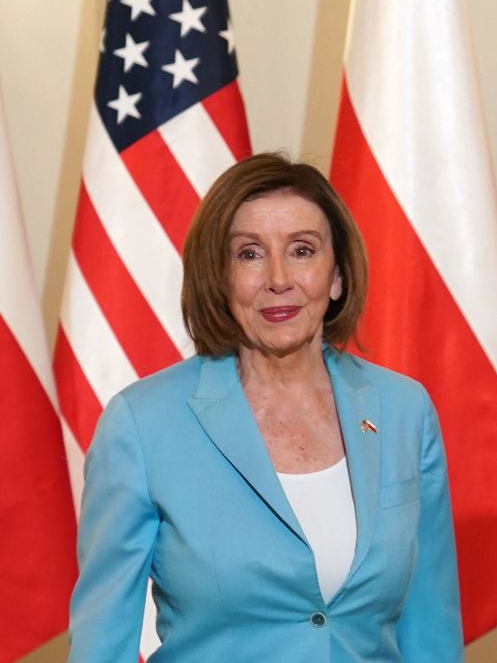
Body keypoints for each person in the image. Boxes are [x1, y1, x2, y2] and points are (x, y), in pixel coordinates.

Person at [68, 153, 463, 662]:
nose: (279, 278)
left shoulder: (404, 410)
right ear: (221, 277)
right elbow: (103, 644)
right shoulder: (143, 424)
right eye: (250, 254)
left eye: (302, 250)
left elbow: (430, 632)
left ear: (337, 275)